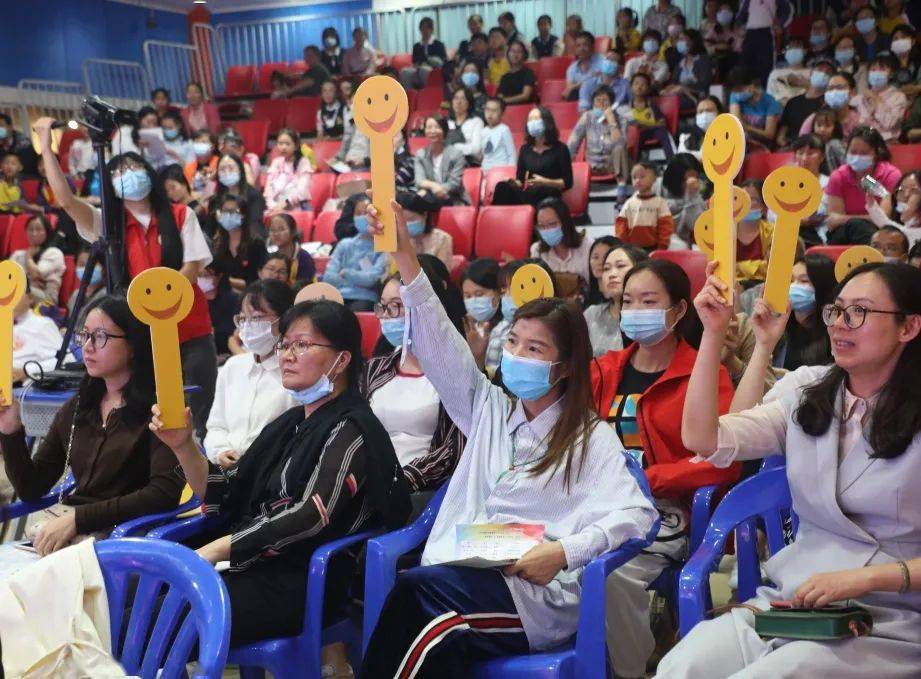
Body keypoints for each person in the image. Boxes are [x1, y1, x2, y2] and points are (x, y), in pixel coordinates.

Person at [359, 191, 658, 679]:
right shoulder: (488, 408)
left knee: (421, 606)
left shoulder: (589, 438)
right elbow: (436, 340)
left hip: (536, 595)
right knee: (433, 632)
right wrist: (403, 255)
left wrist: (564, 552)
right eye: (513, 342)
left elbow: (638, 515)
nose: (517, 355)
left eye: (535, 348)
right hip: (464, 571)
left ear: (563, 367)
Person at [658, 260, 921, 679]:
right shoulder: (806, 390)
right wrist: (712, 333)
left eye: (861, 312)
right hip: (791, 602)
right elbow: (704, 439)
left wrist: (862, 580)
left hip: (890, 619)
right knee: (681, 665)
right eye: (835, 310)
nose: (840, 324)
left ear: (908, 327)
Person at [151, 299, 411, 648]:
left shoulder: (353, 428)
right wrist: (183, 445)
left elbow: (310, 515)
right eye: (284, 344)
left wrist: (217, 551)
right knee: (132, 598)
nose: (287, 355)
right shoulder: (289, 424)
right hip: (253, 564)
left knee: (155, 621)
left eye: (302, 344)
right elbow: (224, 492)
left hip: (299, 581)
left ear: (342, 359)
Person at [592, 258, 736, 677]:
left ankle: (629, 669)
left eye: (648, 301)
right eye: (627, 301)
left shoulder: (704, 372)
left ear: (678, 311)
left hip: (664, 510)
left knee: (609, 575)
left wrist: (651, 480)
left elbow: (720, 460)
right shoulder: (604, 370)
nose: (635, 311)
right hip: (600, 501)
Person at [35, 117, 218, 438]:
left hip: (190, 331)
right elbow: (65, 200)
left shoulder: (179, 214)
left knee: (197, 419)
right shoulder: (109, 224)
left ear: (148, 172)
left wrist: (158, 301)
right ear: (110, 184)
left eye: (133, 167)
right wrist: (47, 146)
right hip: (138, 336)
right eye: (118, 173)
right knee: (150, 420)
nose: (127, 175)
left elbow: (192, 267)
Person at [0, 295, 184, 555]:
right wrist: (10, 430)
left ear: (133, 345)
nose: (87, 347)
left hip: (126, 539)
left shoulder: (159, 409)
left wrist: (79, 519)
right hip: (72, 532)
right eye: (84, 335)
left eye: (100, 337)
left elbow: (162, 494)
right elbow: (32, 487)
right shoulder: (80, 406)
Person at [363, 266, 465, 493]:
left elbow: (453, 449)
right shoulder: (376, 368)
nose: (387, 315)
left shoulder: (454, 373)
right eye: (383, 306)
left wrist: (401, 480)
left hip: (422, 489)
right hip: (367, 480)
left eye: (396, 306)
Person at [204, 280, 295, 469]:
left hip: (270, 475)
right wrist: (220, 451)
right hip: (224, 470)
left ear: (284, 318)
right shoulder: (233, 367)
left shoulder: (294, 373)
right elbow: (216, 426)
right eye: (243, 319)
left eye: (257, 318)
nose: (248, 326)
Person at [825, 126, 900, 245]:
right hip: (844, 235)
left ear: (876, 153)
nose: (857, 157)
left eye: (864, 153)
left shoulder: (890, 175)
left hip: (880, 234)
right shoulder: (838, 176)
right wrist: (861, 220)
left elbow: (883, 218)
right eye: (853, 152)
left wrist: (844, 219)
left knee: (859, 227)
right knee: (855, 226)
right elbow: (833, 221)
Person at [492, 107, 573, 207]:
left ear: (546, 122)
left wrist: (544, 182)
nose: (532, 122)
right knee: (502, 187)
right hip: (529, 195)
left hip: (549, 196)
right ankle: (496, 220)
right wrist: (512, 182)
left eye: (536, 119)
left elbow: (568, 182)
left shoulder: (561, 149)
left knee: (541, 191)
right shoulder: (525, 149)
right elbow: (520, 181)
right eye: (530, 120)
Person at [774, 253, 836, 371]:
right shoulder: (781, 325)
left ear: (822, 287)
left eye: (803, 280)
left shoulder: (833, 332)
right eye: (791, 280)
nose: (793, 286)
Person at [584, 244, 648, 356]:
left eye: (620, 266)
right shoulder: (591, 314)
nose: (611, 274)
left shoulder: (652, 318)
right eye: (606, 269)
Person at [323, 209, 389, 312]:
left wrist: (346, 273)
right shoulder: (344, 244)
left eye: (367, 213)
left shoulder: (384, 249)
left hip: (366, 299)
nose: (363, 217)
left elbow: (371, 280)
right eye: (359, 213)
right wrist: (358, 281)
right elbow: (328, 277)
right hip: (337, 295)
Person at [567, 86, 630, 182]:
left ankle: (621, 188)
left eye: (604, 101)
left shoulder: (622, 120)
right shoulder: (587, 117)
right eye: (597, 101)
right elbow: (573, 143)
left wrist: (611, 121)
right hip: (591, 166)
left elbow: (621, 145)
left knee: (619, 149)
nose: (600, 104)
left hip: (612, 165)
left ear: (612, 104)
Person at [529, 196, 594, 285]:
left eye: (552, 224)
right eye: (542, 226)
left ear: (565, 222)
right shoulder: (537, 250)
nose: (547, 230)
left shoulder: (587, 245)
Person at [211, 193, 266, 291]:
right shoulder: (217, 244)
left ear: (243, 215)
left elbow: (259, 280)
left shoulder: (256, 244)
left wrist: (229, 282)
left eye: (232, 212)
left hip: (249, 295)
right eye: (224, 211)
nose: (227, 215)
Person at [616, 162, 674, 252]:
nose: (638, 180)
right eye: (634, 177)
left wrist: (662, 247)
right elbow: (621, 227)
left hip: (654, 249)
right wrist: (624, 247)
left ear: (654, 178)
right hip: (632, 250)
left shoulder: (660, 203)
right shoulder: (629, 203)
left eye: (642, 177)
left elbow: (666, 226)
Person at [777, 59, 836, 147]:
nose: (823, 74)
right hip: (790, 147)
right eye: (820, 70)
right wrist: (783, 143)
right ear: (811, 73)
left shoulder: (829, 103)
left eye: (828, 72)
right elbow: (781, 134)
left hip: (814, 148)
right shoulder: (793, 102)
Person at [10, 214, 65, 307]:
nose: (34, 233)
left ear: (46, 232)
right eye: (30, 230)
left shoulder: (54, 253)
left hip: (46, 300)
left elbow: (36, 274)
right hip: (23, 292)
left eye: (38, 229)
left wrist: (28, 256)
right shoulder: (18, 254)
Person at [618, 72, 676, 160]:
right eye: (636, 83)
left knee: (662, 131)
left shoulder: (652, 106)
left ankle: (673, 161)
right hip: (638, 134)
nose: (639, 87)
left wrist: (644, 125)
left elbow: (662, 124)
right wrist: (646, 125)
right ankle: (634, 165)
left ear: (648, 89)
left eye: (643, 84)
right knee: (635, 133)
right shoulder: (625, 108)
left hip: (654, 132)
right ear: (631, 88)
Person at [413, 116, 469, 207]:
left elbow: (454, 184)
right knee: (405, 199)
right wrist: (433, 186)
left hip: (452, 197)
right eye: (429, 127)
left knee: (418, 199)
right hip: (430, 195)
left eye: (437, 127)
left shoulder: (456, 154)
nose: (433, 131)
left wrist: (434, 189)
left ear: (444, 131)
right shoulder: (421, 154)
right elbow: (419, 180)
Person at [211, 152, 267, 240]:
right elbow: (209, 231)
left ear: (240, 170)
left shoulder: (254, 196)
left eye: (231, 168)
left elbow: (255, 226)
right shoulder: (214, 199)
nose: (227, 172)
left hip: (247, 241)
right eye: (222, 169)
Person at [852, 54, 908, 142]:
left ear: (891, 74)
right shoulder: (859, 98)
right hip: (862, 141)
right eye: (873, 70)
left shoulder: (899, 97)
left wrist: (877, 101)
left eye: (882, 69)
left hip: (888, 142)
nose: (877, 73)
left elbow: (889, 123)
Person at [737, 0, 792, 87]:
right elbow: (740, 16)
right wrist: (740, 27)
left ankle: (764, 92)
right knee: (745, 66)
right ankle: (745, 90)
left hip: (766, 33)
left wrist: (781, 25)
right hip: (749, 34)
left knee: (765, 67)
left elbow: (788, 10)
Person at [728, 65, 783, 150]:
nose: (737, 93)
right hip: (742, 143)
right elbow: (737, 123)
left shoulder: (770, 103)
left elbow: (769, 134)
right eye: (735, 91)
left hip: (763, 145)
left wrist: (747, 127)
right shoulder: (735, 96)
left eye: (740, 89)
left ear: (751, 85)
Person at [791, 133, 831, 246]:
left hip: (820, 237)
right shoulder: (786, 183)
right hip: (790, 234)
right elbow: (773, 214)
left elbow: (830, 213)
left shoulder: (830, 183)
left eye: (810, 153)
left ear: (822, 157)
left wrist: (810, 219)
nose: (804, 158)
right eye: (800, 153)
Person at [397, 191, 453, 268]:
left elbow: (442, 274)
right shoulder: (397, 239)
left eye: (411, 219)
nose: (406, 225)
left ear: (425, 215)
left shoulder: (442, 239)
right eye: (402, 221)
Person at [663, 153, 708, 247]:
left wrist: (691, 197)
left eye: (695, 177)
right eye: (686, 179)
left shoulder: (696, 196)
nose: (691, 182)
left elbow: (698, 227)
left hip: (688, 248)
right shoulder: (658, 190)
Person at [799, 71, 860, 141]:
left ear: (852, 92)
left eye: (840, 88)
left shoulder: (860, 123)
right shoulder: (814, 119)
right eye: (830, 88)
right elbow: (801, 146)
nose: (834, 92)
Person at [263, 128, 312, 212]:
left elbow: (302, 191)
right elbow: (268, 188)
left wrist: (285, 203)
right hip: (274, 207)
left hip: (295, 207)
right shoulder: (276, 162)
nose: (283, 147)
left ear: (296, 146)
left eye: (287, 144)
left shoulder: (304, 163)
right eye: (280, 144)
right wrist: (272, 205)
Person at [736, 179, 774, 285]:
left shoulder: (773, 232)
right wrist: (757, 266)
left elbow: (772, 269)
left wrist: (738, 266)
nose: (746, 205)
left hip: (763, 287)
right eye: (742, 199)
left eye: (752, 200)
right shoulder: (727, 232)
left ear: (763, 207)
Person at [198, 258, 239, 357]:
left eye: (206, 276)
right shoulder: (192, 300)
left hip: (227, 352)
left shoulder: (233, 299)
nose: (202, 279)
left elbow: (233, 332)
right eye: (199, 275)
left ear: (219, 276)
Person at [663, 28, 712, 109]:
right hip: (679, 95)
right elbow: (675, 83)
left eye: (682, 39)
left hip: (697, 96)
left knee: (669, 104)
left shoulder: (704, 60)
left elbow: (703, 84)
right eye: (679, 39)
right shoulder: (680, 64)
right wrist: (667, 89)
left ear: (693, 42)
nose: (679, 42)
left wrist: (682, 88)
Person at [265, 212, 316, 284]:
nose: (276, 234)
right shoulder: (270, 256)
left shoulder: (304, 258)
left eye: (281, 229)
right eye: (272, 230)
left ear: (293, 231)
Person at [402, 17, 447, 90]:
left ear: (431, 29)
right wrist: (417, 65)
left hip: (433, 69)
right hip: (418, 69)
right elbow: (414, 61)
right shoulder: (417, 46)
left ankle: (428, 95)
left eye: (427, 28)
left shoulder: (438, 44)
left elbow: (443, 61)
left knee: (424, 70)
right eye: (422, 28)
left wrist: (429, 61)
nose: (424, 30)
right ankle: (410, 96)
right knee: (405, 72)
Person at [765, 37, 812, 105]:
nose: (793, 50)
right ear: (784, 52)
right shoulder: (775, 73)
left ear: (805, 51)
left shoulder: (812, 73)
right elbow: (769, 97)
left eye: (797, 47)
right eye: (790, 47)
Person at [564, 31, 605, 110]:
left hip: (600, 100)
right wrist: (591, 79)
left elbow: (603, 83)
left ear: (592, 46)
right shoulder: (572, 68)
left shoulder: (602, 61)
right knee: (573, 94)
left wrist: (576, 86)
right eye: (578, 46)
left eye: (585, 45)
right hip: (580, 102)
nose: (581, 49)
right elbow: (568, 89)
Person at [704, 3, 743, 81]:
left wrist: (727, 47)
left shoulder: (738, 32)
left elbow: (739, 50)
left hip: (733, 64)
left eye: (727, 10)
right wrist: (717, 47)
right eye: (721, 11)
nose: (724, 13)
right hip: (716, 64)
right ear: (717, 14)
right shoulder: (713, 31)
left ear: (732, 14)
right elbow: (706, 48)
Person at [478, 97, 517, 173]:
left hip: (501, 171)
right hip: (485, 170)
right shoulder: (483, 131)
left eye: (494, 111)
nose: (490, 114)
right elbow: (483, 154)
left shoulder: (504, 129)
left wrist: (511, 172)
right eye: (487, 110)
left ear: (502, 113)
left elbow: (511, 154)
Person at [447, 87, 485, 163]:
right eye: (456, 98)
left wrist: (453, 147)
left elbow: (476, 149)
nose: (458, 102)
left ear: (469, 103)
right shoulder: (447, 122)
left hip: (469, 163)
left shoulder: (476, 122)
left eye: (463, 99)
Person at [584, 236, 622, 308]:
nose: (600, 262)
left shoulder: (624, 298)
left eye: (606, 257)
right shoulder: (586, 298)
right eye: (595, 257)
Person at [184, 129, 219, 202]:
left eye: (204, 142)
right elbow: (188, 191)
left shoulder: (220, 163)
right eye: (197, 142)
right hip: (196, 202)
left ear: (212, 146)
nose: (200, 145)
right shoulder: (188, 168)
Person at [497, 40, 536, 106]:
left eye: (519, 51)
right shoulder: (504, 77)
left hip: (523, 108)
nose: (515, 54)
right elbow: (500, 97)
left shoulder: (528, 73)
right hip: (506, 109)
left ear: (524, 55)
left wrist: (505, 100)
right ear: (508, 54)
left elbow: (525, 96)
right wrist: (501, 101)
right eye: (513, 51)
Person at [889, 24, 921, 101]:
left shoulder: (918, 62)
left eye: (903, 37)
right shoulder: (886, 62)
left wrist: (916, 88)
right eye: (895, 39)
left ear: (913, 41)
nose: (899, 41)